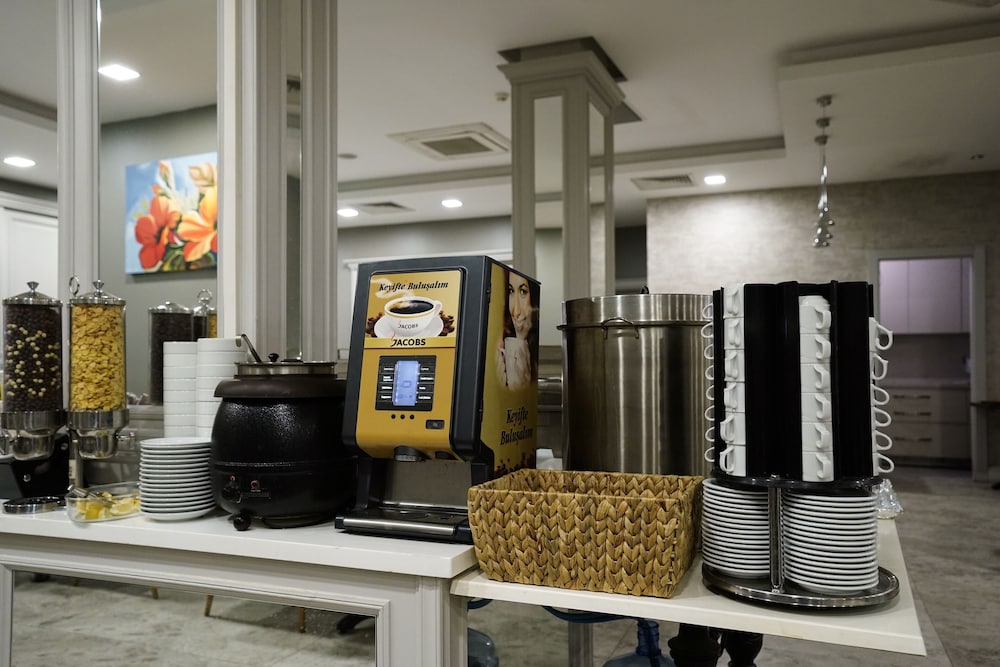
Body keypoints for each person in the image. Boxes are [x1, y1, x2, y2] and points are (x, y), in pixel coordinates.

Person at [496, 269, 539, 389]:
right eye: (511, 291)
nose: (515, 311)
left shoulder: (535, 357)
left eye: (523, 291)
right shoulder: (501, 350)